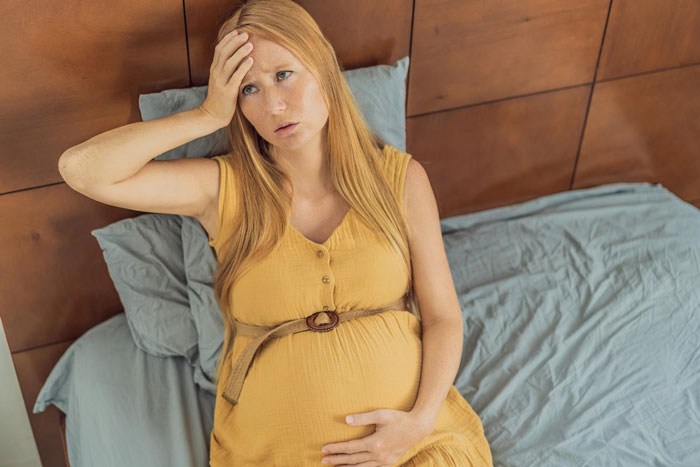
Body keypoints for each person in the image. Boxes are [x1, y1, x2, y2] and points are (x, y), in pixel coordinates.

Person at [57, 0, 494, 465]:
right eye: (249, 89)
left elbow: (443, 316)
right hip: (279, 453)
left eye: (284, 74)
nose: (274, 105)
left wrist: (419, 422)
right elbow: (83, 171)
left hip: (417, 444)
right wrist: (207, 114)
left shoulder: (400, 180)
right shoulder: (222, 189)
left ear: (322, 66)